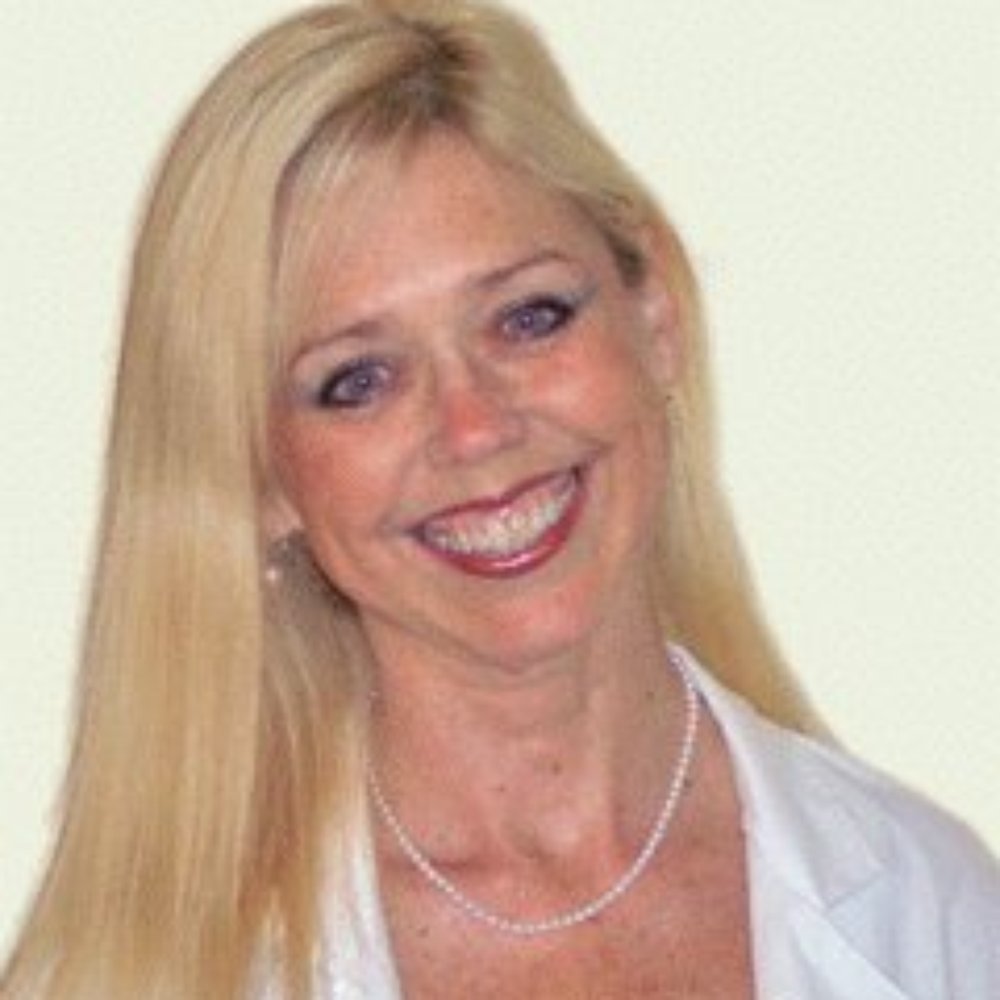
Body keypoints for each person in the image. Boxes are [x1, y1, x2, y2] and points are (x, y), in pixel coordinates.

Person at [3, 1, 998, 997]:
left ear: (654, 317)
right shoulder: (133, 977)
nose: (475, 428)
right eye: (359, 379)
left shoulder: (933, 913)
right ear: (260, 476)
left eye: (529, 317)